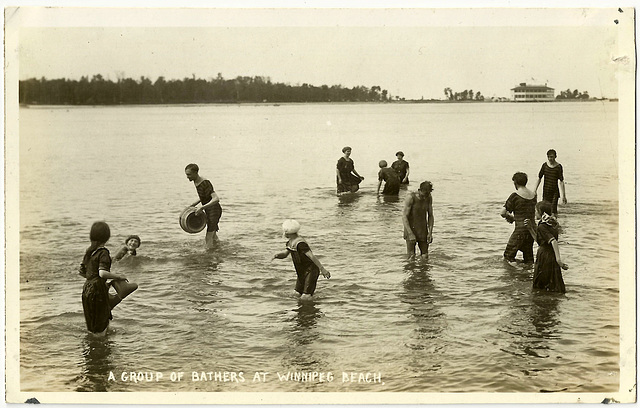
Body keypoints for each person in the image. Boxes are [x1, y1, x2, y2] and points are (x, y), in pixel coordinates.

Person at [80, 221, 131, 335]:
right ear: (107, 237)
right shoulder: (103, 252)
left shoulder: (89, 252)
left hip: (86, 290)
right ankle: (101, 350)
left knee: (92, 325)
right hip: (97, 291)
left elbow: (83, 273)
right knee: (101, 326)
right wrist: (119, 276)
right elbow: (102, 273)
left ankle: (94, 348)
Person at [272, 219, 330, 300]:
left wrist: (323, 269)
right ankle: (303, 310)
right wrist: (277, 256)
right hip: (301, 272)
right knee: (296, 295)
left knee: (305, 297)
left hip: (310, 271)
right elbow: (285, 254)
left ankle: (312, 308)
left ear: (287, 233)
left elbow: (311, 256)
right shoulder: (290, 242)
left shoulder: (300, 244)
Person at [527, 201, 568, 293]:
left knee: (540, 283)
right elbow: (541, 241)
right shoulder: (551, 224)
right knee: (552, 282)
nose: (535, 213)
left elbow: (553, 241)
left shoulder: (542, 226)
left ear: (541, 212)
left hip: (544, 256)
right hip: (551, 255)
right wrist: (530, 229)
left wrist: (559, 260)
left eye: (536, 211)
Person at [500, 172, 537, 264]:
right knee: (529, 259)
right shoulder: (533, 195)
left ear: (515, 183)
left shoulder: (515, 196)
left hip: (520, 231)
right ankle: (527, 276)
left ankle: (513, 274)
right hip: (531, 230)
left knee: (507, 257)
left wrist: (511, 218)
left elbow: (503, 212)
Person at [185, 163, 223, 248]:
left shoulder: (205, 182)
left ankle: (208, 257)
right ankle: (219, 250)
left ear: (195, 173)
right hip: (208, 211)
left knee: (208, 237)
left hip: (214, 211)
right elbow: (204, 196)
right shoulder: (196, 181)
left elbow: (216, 199)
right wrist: (193, 204)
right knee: (213, 236)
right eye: (186, 174)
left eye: (189, 174)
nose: (187, 177)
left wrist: (201, 207)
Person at [402, 181, 434, 260]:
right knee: (411, 256)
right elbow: (404, 217)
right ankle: (410, 270)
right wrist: (410, 233)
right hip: (411, 229)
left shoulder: (429, 197)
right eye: (424, 195)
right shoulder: (411, 198)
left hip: (422, 229)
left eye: (427, 194)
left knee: (425, 256)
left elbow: (430, 216)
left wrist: (430, 233)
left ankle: (423, 271)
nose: (424, 197)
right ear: (419, 190)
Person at [533, 149, 567, 216]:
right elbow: (539, 178)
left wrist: (564, 196)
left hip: (555, 192)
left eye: (552, 157)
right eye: (549, 157)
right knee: (544, 209)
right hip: (546, 191)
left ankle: (555, 224)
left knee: (553, 211)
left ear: (555, 156)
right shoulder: (544, 165)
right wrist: (535, 190)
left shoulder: (558, 167)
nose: (550, 158)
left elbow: (561, 181)